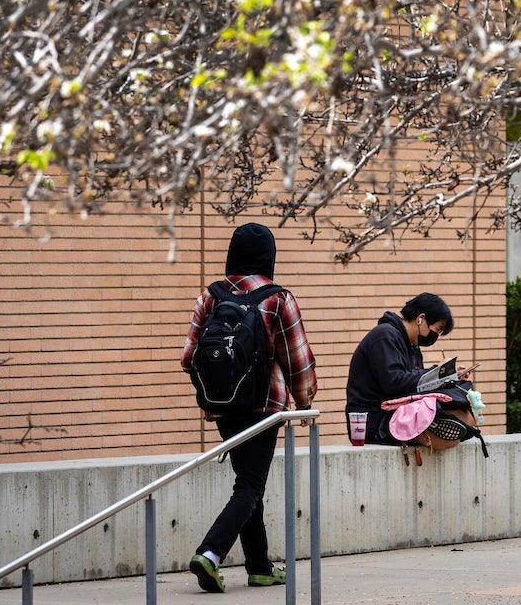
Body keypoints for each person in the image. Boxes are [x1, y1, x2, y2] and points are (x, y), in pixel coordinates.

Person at [180, 222, 317, 594]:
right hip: (263, 407)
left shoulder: (210, 296)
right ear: (269, 257)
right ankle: (210, 553)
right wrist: (304, 404)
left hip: (224, 408)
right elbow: (297, 361)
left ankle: (259, 566)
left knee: (248, 483)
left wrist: (210, 400)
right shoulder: (278, 298)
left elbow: (189, 357)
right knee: (251, 483)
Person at [345, 292, 469, 445]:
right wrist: (436, 372)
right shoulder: (384, 336)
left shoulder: (412, 347)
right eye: (437, 329)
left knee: (464, 408)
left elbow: (417, 387)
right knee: (451, 424)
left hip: (395, 414)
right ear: (420, 319)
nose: (436, 335)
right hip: (374, 422)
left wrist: (447, 378)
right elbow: (394, 383)